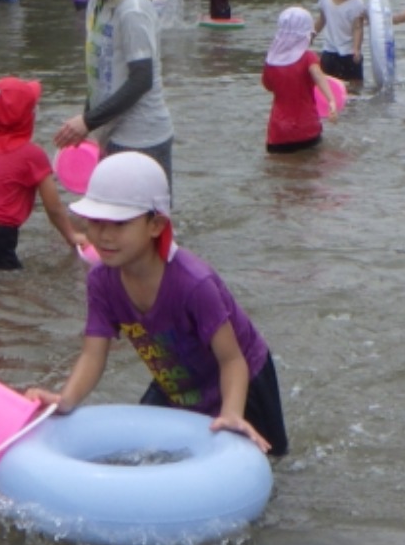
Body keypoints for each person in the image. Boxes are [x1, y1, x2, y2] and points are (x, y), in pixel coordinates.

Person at [22, 153, 287, 457]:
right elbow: (93, 353)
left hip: (242, 381)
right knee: (144, 456)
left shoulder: (194, 283)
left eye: (119, 224)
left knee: (267, 466)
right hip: (176, 379)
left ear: (156, 225)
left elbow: (232, 361)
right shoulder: (101, 280)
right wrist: (66, 400)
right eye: (95, 222)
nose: (104, 236)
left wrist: (231, 414)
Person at [52, 0, 175, 183]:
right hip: (109, 131)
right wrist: (89, 124)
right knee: (108, 219)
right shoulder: (97, 1)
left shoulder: (132, 8)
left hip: (142, 138)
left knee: (146, 220)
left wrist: (87, 121)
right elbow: (97, 68)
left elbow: (142, 79)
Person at [0, 77, 85, 268]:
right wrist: (72, 236)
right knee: (9, 290)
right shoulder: (32, 155)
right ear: (28, 116)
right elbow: (53, 207)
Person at [262, 7, 328, 153]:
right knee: (311, 169)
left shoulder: (271, 61)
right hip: (307, 128)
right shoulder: (308, 57)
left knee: (278, 171)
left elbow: (268, 86)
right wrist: (331, 100)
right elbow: (317, 75)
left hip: (279, 132)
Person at [314, 0, 367, 84]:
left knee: (355, 85)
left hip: (350, 53)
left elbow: (357, 28)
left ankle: (352, 102)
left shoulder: (357, 4)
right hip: (329, 51)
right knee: (327, 84)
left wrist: (356, 49)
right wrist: (311, 34)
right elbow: (322, 19)